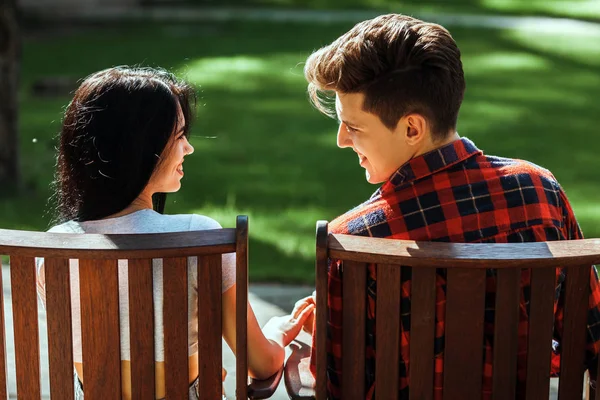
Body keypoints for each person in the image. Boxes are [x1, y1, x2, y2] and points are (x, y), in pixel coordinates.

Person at [300, 13, 600, 399]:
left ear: (412, 129)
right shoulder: (540, 192)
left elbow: (338, 387)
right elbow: (590, 335)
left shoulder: (354, 241)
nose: (342, 140)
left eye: (353, 126)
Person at [35, 66, 314, 400]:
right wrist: (277, 334)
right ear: (141, 147)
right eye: (179, 136)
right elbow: (261, 364)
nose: (189, 148)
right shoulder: (198, 237)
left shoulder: (53, 250)